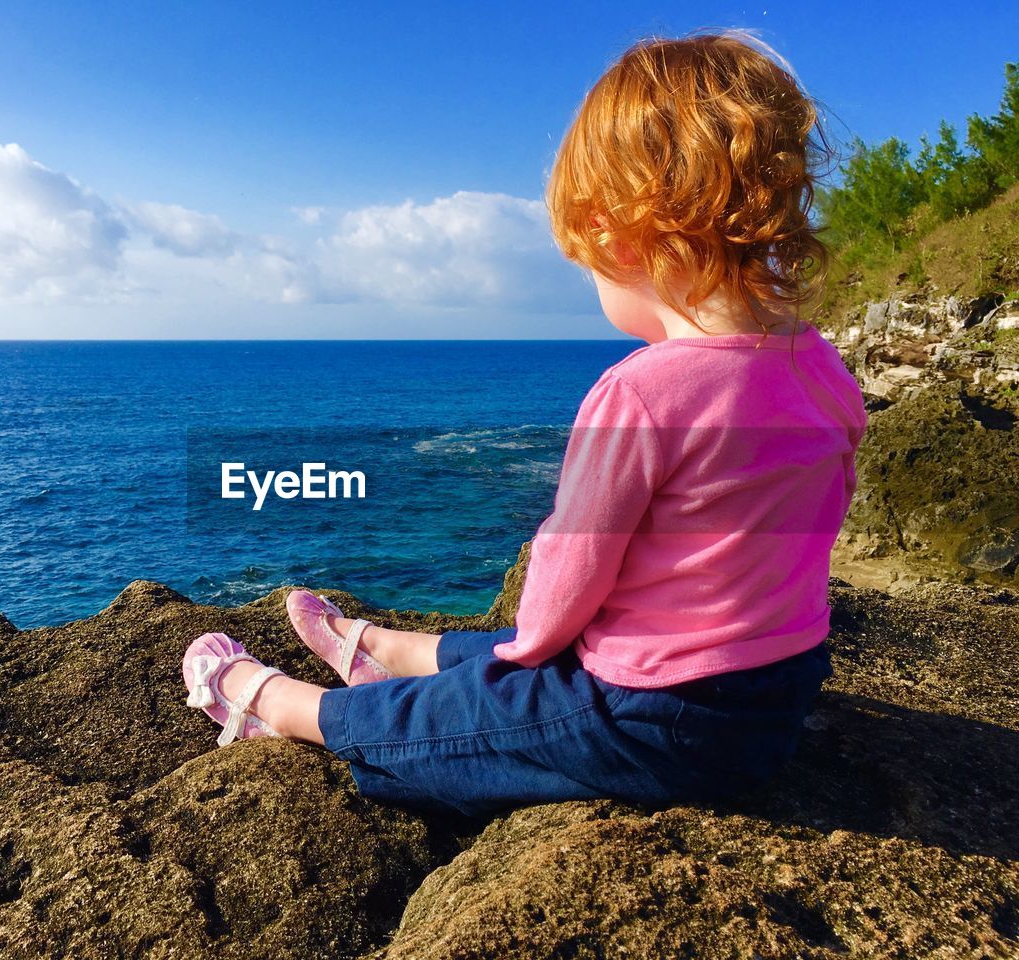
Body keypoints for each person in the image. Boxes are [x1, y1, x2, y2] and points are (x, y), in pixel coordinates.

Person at [181, 30, 867, 817]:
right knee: (516, 662)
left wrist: (530, 656)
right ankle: (382, 648)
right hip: (774, 697)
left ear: (617, 231)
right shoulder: (817, 365)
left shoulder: (645, 392)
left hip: (655, 723)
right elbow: (821, 509)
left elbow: (568, 577)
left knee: (479, 705)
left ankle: (279, 707)